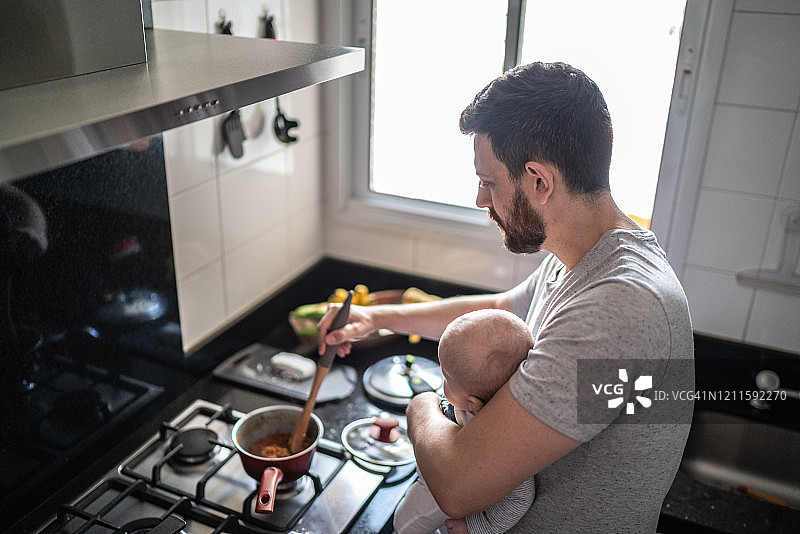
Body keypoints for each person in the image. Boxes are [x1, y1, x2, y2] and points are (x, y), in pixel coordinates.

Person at [319, 62, 694, 533]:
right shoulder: (581, 259)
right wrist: (379, 318)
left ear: (539, 180)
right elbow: (500, 312)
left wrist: (420, 406)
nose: (480, 199)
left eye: (489, 181)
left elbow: (457, 483)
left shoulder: (623, 305)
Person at [393, 308, 535, 534]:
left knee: (403, 524)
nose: (442, 384)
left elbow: (521, 497)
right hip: (436, 474)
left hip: (440, 492)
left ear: (474, 403)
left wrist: (477, 528)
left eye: (446, 378)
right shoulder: (473, 403)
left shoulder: (499, 440)